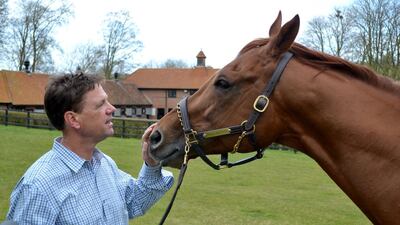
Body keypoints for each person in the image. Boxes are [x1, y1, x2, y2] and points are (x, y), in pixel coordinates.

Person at [6, 73, 174, 224]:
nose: (112, 108)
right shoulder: (38, 187)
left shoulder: (104, 164)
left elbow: (135, 202)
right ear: (73, 119)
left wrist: (151, 163)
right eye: (101, 104)